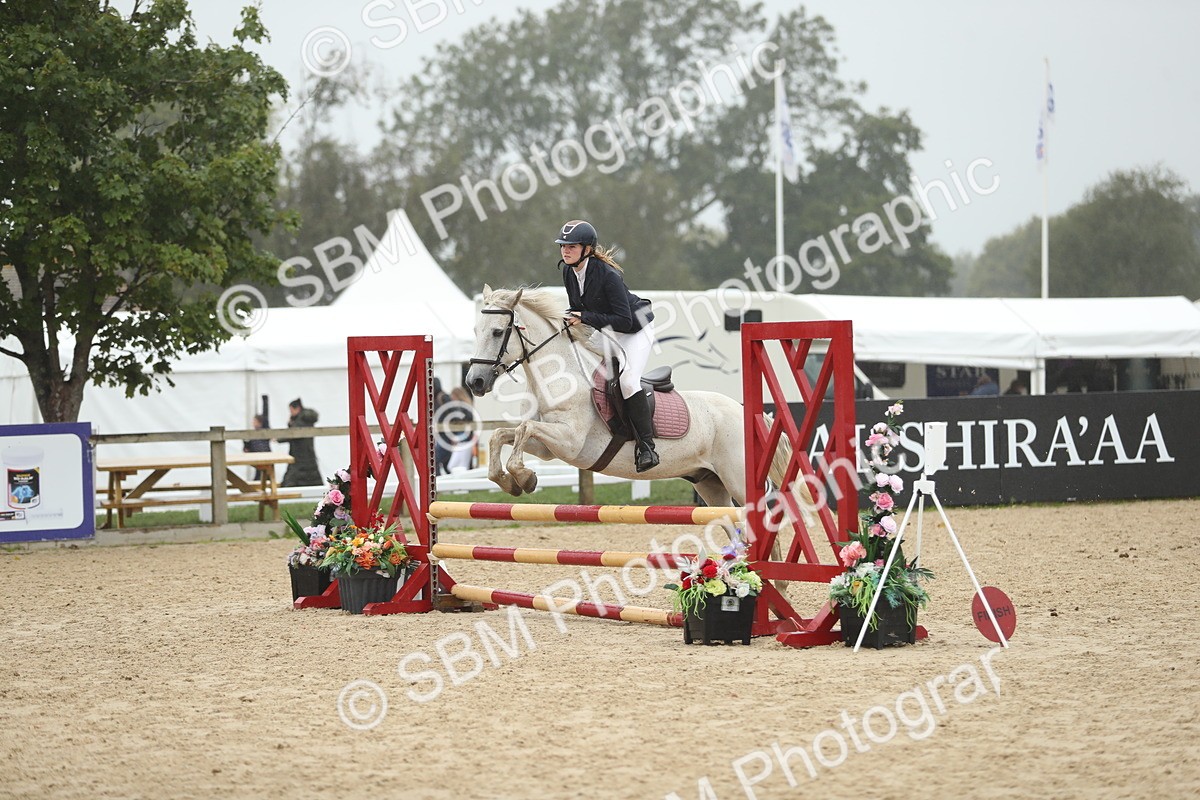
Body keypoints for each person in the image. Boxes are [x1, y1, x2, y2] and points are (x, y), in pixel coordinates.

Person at [557, 219, 659, 472]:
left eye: (572, 246)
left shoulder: (608, 275)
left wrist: (585, 318)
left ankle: (647, 447)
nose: (565, 250)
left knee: (627, 381)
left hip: (635, 329)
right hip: (609, 330)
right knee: (580, 361)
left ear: (587, 249)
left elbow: (623, 320)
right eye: (563, 246)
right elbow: (579, 309)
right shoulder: (569, 272)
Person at [281, 398, 322, 487]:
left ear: (297, 409)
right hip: (308, 453)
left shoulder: (300, 422)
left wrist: (278, 439)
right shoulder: (306, 420)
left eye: (291, 410)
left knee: (291, 479)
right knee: (313, 479)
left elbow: (292, 434)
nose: (290, 413)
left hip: (299, 455)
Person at [446, 386, 477, 473]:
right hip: (465, 439)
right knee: (461, 466)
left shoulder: (461, 407)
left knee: (456, 466)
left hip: (463, 440)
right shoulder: (466, 406)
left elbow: (461, 422)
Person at [432, 377, 453, 475]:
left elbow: (452, 413)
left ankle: (439, 480)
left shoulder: (443, 397)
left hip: (447, 433)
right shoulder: (435, 399)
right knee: (444, 462)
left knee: (436, 459)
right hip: (441, 432)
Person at [242, 413, 270, 482]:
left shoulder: (264, 431)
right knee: (259, 474)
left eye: (255, 421)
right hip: (256, 457)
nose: (253, 423)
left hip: (264, 457)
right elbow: (248, 446)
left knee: (264, 474)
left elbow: (266, 414)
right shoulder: (252, 434)